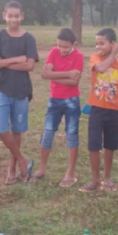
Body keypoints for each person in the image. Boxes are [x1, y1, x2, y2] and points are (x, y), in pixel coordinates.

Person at [0, 1, 38, 185]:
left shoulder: (28, 39)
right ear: (4, 16)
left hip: (21, 90)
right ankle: (23, 160)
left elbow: (30, 65)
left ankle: (12, 169)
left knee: (17, 131)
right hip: (2, 88)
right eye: (10, 16)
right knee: (1, 129)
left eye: (17, 16)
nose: (13, 19)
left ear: (22, 16)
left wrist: (3, 61)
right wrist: (16, 60)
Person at [80, 28, 118, 193]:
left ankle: (107, 178)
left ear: (112, 44)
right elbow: (100, 69)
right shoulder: (96, 58)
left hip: (114, 110)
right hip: (97, 109)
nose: (98, 46)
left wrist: (112, 98)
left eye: (102, 43)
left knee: (110, 145)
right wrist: (112, 55)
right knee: (94, 144)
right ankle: (95, 179)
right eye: (96, 43)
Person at [34, 28, 84, 186]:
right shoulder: (53, 52)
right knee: (48, 133)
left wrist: (54, 76)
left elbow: (74, 82)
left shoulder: (79, 56)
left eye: (66, 47)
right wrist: (67, 73)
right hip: (54, 99)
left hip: (72, 100)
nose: (62, 50)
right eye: (59, 46)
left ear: (73, 44)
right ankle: (42, 168)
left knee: (71, 134)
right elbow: (44, 74)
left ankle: (70, 172)